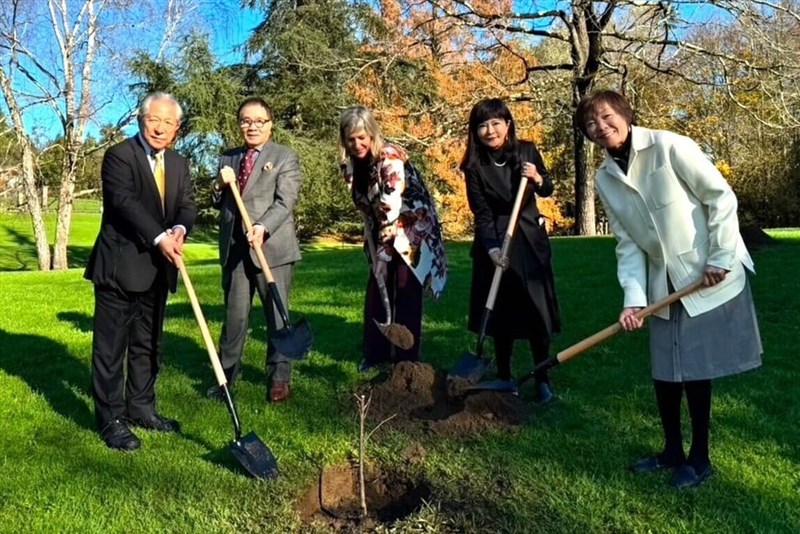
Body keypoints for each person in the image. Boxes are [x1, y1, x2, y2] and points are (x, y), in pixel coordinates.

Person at [575, 90, 762, 488]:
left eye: (607, 117)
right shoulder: (604, 178)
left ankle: (700, 458)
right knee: (665, 371)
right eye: (591, 124)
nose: (601, 127)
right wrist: (633, 300)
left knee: (694, 369)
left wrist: (721, 256)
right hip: (663, 284)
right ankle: (672, 451)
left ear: (625, 114)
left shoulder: (670, 145)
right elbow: (627, 243)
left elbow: (721, 198)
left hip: (704, 272)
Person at [85, 92, 197, 451]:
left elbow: (186, 205)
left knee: (148, 345)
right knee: (110, 349)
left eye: (168, 122)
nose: (160, 128)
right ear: (140, 120)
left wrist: (180, 230)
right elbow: (124, 203)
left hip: (158, 271)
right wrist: (160, 237)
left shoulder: (179, 163)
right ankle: (111, 420)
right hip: (120, 268)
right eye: (154, 120)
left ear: (177, 128)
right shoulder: (120, 156)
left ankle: (141, 408)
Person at [461, 98, 561, 403]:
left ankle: (541, 378)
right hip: (494, 239)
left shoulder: (527, 151)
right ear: (475, 131)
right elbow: (482, 213)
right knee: (500, 312)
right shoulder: (474, 166)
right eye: (482, 125)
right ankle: (504, 376)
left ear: (507, 124)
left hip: (528, 237)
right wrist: (491, 249)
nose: (489, 131)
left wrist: (538, 178)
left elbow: (547, 189)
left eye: (495, 123)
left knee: (535, 310)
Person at [338, 106, 447, 371]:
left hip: (412, 227)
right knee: (377, 288)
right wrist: (373, 250)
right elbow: (369, 210)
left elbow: (390, 207)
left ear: (372, 134)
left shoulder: (390, 157)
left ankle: (407, 359)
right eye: (351, 139)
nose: (357, 144)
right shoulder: (351, 166)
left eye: (362, 137)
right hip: (382, 228)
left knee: (406, 286)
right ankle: (375, 354)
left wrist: (384, 256)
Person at [210, 97, 303, 403]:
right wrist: (219, 186)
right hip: (236, 250)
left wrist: (262, 227)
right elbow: (215, 200)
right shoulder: (228, 157)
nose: (251, 126)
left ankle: (279, 376)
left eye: (258, 121)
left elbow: (285, 201)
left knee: (277, 314)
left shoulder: (285, 156)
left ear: (269, 124)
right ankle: (226, 377)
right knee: (235, 317)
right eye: (245, 121)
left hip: (271, 247)